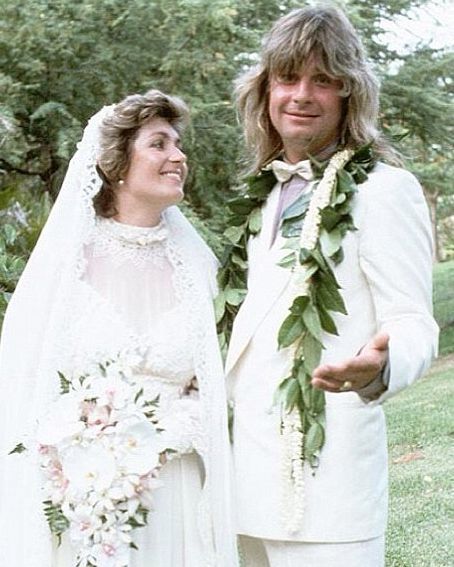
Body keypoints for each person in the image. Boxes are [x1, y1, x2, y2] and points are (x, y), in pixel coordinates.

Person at [221, 5, 438, 567]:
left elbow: (415, 321)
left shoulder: (385, 191)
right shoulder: (260, 196)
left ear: (349, 94)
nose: (301, 94)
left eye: (323, 80)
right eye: (287, 77)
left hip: (326, 493)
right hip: (239, 488)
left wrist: (382, 367)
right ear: (264, 90)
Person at [0, 90, 239, 566]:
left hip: (182, 494)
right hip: (88, 502)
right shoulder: (67, 266)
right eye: (159, 144)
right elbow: (25, 387)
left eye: (177, 143)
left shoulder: (199, 269)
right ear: (117, 164)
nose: (178, 156)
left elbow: (225, 379)